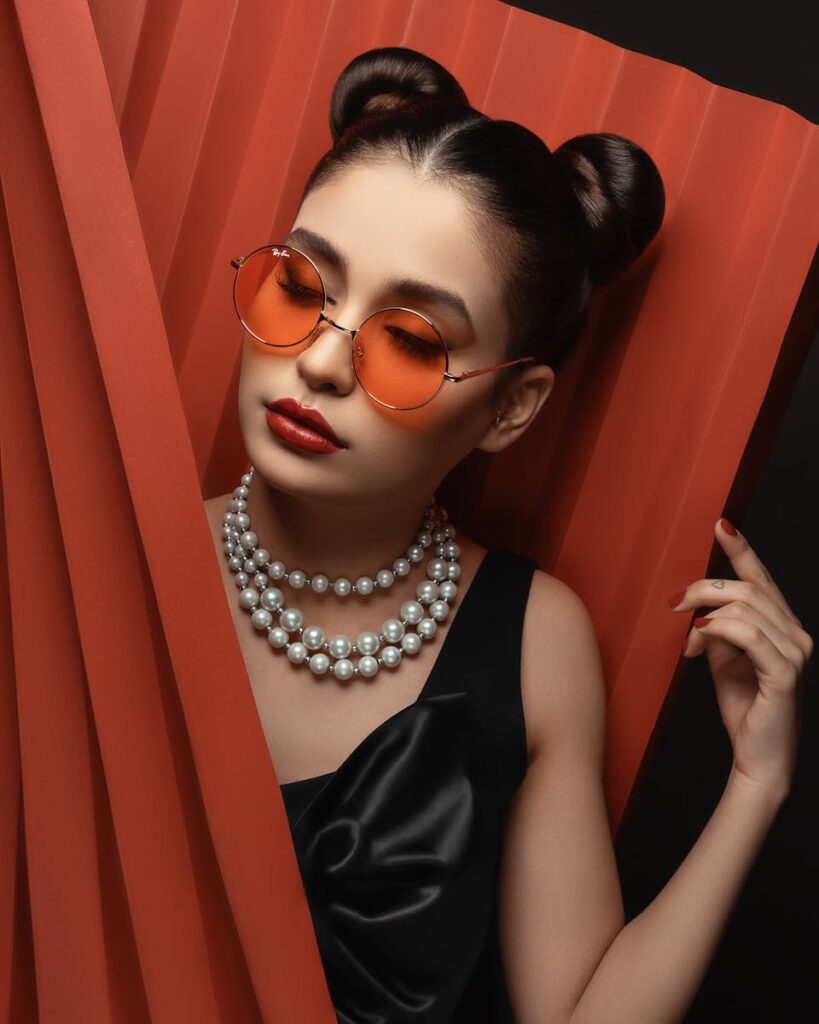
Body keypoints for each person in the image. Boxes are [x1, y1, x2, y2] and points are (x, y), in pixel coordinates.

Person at [203, 46, 810, 1024]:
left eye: (410, 340)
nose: (319, 362)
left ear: (512, 409)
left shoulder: (533, 642)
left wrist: (756, 783)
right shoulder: (114, 559)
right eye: (301, 287)